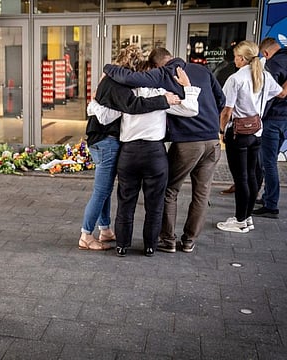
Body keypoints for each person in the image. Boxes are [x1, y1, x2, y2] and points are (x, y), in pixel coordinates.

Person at [103, 47, 225, 253]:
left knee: (128, 200)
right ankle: (161, 245)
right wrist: (189, 88)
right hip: (167, 151)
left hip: (132, 152)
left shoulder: (129, 96)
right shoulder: (168, 94)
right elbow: (200, 106)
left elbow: (103, 116)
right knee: (161, 202)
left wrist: (108, 74)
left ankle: (127, 245)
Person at [80, 49, 178, 251]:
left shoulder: (110, 80)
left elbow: (103, 108)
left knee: (106, 191)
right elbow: (133, 105)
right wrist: (164, 100)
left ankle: (105, 229)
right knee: (102, 191)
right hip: (106, 141)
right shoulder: (118, 84)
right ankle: (86, 235)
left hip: (102, 140)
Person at [216, 41, 282, 233]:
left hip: (238, 134)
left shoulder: (235, 79)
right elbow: (279, 93)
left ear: (242, 58)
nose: (234, 60)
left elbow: (226, 111)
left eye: (236, 56)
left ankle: (239, 220)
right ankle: (247, 218)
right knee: (252, 176)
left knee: (241, 178)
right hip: (257, 132)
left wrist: (221, 130)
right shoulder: (264, 75)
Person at [253, 37, 287, 218]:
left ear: (265, 53)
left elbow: (273, 94)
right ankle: (268, 197)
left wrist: (258, 115)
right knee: (270, 159)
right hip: (284, 119)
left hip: (273, 119)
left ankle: (271, 204)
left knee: (268, 163)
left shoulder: (273, 64)